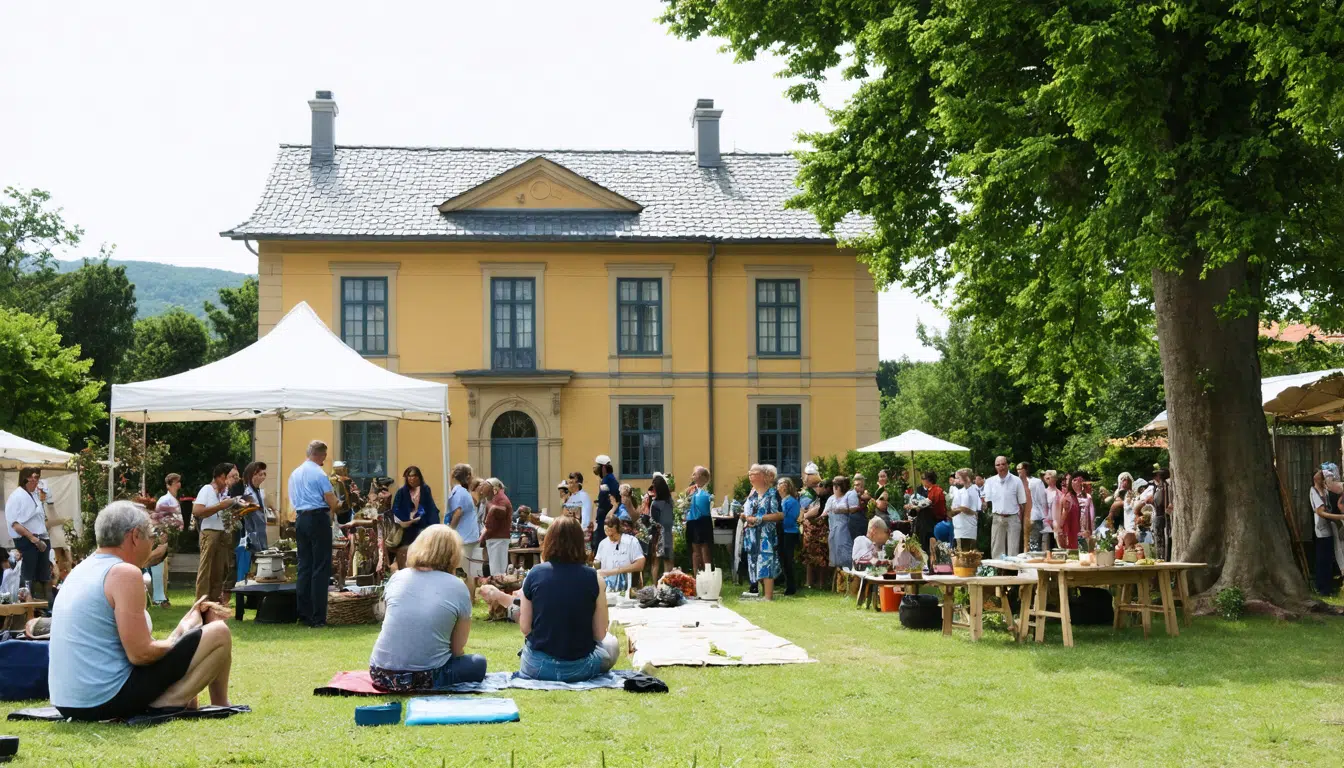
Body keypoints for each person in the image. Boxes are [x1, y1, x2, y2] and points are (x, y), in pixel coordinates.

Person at [49, 500, 232, 721]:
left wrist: (186, 630)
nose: (153, 542)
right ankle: (171, 703)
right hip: (104, 699)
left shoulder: (82, 570)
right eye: (152, 535)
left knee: (204, 634)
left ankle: (198, 701)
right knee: (219, 632)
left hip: (68, 702)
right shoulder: (123, 573)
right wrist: (182, 637)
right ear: (135, 536)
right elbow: (141, 654)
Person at [368, 524, 487, 691]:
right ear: (453, 554)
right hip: (427, 677)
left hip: (381, 674)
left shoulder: (398, 577)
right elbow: (457, 648)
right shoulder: (457, 587)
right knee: (478, 663)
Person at [517, 516, 620, 682]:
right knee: (612, 644)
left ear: (549, 541)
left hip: (537, 667)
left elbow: (525, 628)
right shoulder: (594, 578)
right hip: (579, 667)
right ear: (580, 542)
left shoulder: (534, 574)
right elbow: (600, 634)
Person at [287, 440, 340, 628]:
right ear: (320, 455)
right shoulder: (319, 473)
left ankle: (303, 614)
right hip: (318, 518)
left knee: (304, 566)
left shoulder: (294, 474)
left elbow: (293, 500)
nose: (324, 460)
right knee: (320, 567)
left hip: (301, 519)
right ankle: (318, 617)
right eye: (324, 457)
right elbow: (331, 501)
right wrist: (341, 502)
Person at [193, 463, 241, 604]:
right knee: (206, 569)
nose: (233, 480)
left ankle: (214, 600)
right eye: (230, 477)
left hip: (222, 533)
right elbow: (197, 511)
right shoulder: (207, 489)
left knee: (220, 570)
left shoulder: (223, 493)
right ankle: (201, 601)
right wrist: (221, 506)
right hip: (209, 533)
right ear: (221, 477)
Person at [5, 467, 51, 602]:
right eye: (33, 477)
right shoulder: (17, 496)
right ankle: (26, 604)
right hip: (27, 539)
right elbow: (15, 523)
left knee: (43, 574)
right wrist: (34, 539)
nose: (36, 481)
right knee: (27, 574)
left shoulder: (36, 495)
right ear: (25, 478)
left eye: (37, 478)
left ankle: (43, 606)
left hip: (41, 536)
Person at [740, 464, 784, 600]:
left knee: (766, 563)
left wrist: (759, 519)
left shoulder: (772, 494)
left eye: (753, 474)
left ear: (763, 477)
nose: (750, 476)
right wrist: (745, 517)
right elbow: (747, 512)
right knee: (754, 563)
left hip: (766, 535)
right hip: (752, 535)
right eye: (749, 473)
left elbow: (780, 515)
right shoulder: (752, 495)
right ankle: (763, 593)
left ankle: (768, 596)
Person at [390, 466, 441, 571]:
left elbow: (430, 507)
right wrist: (406, 520)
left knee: (423, 553)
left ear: (419, 477)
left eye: (414, 476)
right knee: (407, 552)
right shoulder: (402, 492)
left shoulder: (425, 489)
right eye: (409, 476)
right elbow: (396, 509)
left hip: (422, 526)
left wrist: (433, 526)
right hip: (407, 528)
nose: (412, 478)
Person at [444, 464, 480, 602]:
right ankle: (469, 598)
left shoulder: (459, 492)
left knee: (465, 571)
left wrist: (449, 530)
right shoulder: (462, 492)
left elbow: (458, 513)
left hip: (464, 537)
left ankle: (469, 600)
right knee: (467, 570)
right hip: (467, 536)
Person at [983, 456, 1026, 559]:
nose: (1001, 467)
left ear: (1007, 465)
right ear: (995, 467)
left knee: (1013, 549)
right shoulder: (989, 482)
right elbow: (986, 502)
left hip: (1013, 517)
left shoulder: (1017, 481)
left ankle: (1012, 572)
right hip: (997, 517)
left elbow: (1023, 502)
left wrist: (1022, 519)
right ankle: (998, 571)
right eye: (998, 465)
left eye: (1003, 464)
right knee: (997, 548)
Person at [151, 473, 184, 607]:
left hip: (169, 537)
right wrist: (163, 533)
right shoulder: (165, 500)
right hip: (162, 537)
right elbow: (157, 520)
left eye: (179, 482)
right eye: (176, 482)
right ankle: (158, 598)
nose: (178, 484)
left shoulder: (173, 499)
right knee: (159, 568)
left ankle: (162, 596)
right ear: (168, 485)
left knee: (165, 569)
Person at [234, 462, 270, 583]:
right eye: (260, 474)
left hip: (260, 535)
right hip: (250, 537)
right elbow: (242, 512)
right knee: (248, 570)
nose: (263, 477)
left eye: (264, 474)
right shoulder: (246, 493)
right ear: (252, 475)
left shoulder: (259, 492)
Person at [1310, 470, 1344, 596]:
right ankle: (1322, 588)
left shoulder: (1325, 490)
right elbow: (1320, 512)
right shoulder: (1314, 491)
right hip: (1322, 531)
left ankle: (1328, 587)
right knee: (1322, 560)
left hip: (1330, 528)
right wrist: (1340, 517)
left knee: (1329, 559)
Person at [593, 514, 645, 592]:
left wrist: (614, 571)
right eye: (605, 524)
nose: (606, 527)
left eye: (610, 524)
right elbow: (596, 563)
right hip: (607, 588)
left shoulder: (631, 541)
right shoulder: (603, 544)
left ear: (617, 526)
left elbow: (640, 564)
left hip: (628, 587)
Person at [799, 463, 830, 589]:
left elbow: (820, 508)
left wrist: (806, 514)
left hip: (820, 526)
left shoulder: (822, 488)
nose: (806, 479)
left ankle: (822, 583)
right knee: (809, 556)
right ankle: (809, 582)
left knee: (822, 555)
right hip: (809, 528)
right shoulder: (806, 491)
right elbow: (803, 508)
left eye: (808, 476)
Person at [37, 479, 71, 587]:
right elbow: (46, 525)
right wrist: (62, 520)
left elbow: (48, 523)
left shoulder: (47, 506)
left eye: (44, 492)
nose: (42, 495)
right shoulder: (36, 506)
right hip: (45, 544)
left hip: (55, 543)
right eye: (41, 492)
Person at [824, 475, 861, 571]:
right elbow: (825, 512)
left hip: (845, 530)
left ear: (837, 487)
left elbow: (855, 508)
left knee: (846, 555)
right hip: (833, 530)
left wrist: (842, 510)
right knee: (836, 557)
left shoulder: (850, 495)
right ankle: (839, 580)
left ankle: (850, 578)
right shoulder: (831, 498)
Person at [684, 466, 714, 574]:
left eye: (694, 474)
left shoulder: (707, 490)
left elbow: (706, 502)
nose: (692, 476)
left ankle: (707, 573)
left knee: (705, 548)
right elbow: (686, 501)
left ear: (702, 476)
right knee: (694, 549)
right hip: (692, 521)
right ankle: (696, 574)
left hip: (703, 520)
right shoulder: (691, 489)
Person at [646, 474, 675, 584]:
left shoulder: (655, 503)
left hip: (657, 535)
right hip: (668, 533)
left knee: (656, 562)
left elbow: (652, 520)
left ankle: (655, 585)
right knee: (668, 561)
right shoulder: (669, 502)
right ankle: (669, 583)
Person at [483, 478, 513, 577]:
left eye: (486, 489)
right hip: (495, 538)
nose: (484, 492)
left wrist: (492, 508)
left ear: (494, 489)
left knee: (497, 572)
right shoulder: (496, 499)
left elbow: (502, 511)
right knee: (497, 570)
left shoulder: (501, 498)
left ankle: (498, 590)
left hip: (498, 539)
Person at [777, 475, 801, 596]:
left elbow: (790, 518)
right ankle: (786, 583)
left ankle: (791, 587)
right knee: (783, 559)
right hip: (783, 532)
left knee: (788, 560)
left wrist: (779, 520)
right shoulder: (782, 500)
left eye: (780, 485)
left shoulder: (791, 501)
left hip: (790, 533)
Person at [592, 456, 619, 553]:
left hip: (605, 516)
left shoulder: (607, 480)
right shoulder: (608, 479)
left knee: (601, 543)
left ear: (603, 468)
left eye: (597, 466)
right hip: (604, 515)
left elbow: (608, 498)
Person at [949, 469, 981, 551]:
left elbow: (969, 509)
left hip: (966, 529)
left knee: (965, 554)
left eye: (958, 478)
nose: (956, 481)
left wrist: (960, 509)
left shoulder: (973, 490)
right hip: (960, 528)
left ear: (966, 478)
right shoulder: (961, 491)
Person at [1019, 462, 1049, 551]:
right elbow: (1043, 500)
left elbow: (1043, 501)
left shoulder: (1035, 482)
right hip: (1030, 516)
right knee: (1033, 544)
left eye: (1021, 469)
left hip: (1032, 516)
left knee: (1030, 544)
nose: (1019, 471)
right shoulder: (1036, 482)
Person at [916, 470, 945, 552]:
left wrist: (915, 506)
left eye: (923, 478)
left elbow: (927, 503)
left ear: (928, 480)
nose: (922, 481)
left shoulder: (936, 490)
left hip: (934, 522)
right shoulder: (933, 490)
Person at [1151, 467, 1172, 560]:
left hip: (1163, 516)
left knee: (1164, 540)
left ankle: (1164, 559)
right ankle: (1161, 558)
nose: (1157, 476)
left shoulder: (1166, 485)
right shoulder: (1160, 486)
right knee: (1160, 541)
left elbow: (1160, 501)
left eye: (1159, 474)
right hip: (1159, 516)